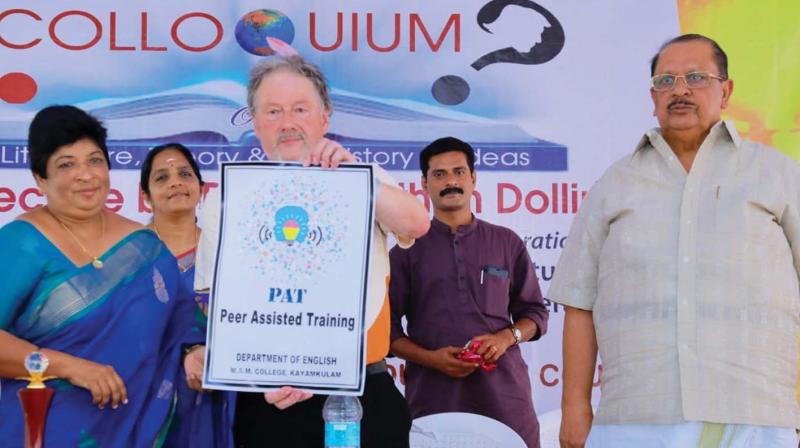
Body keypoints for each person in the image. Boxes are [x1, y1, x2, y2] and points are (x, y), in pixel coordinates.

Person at [550, 34, 800, 447]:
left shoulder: (777, 175)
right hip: (635, 417)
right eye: (666, 81)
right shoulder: (615, 184)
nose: (680, 90)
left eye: (696, 77)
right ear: (652, 97)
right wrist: (574, 409)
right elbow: (579, 302)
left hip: (754, 414)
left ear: (727, 91)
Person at [193, 55, 431, 447]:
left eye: (300, 109)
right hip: (271, 400)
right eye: (273, 111)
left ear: (325, 117)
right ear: (254, 122)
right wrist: (255, 376)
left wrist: (359, 179)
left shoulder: (363, 178)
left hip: (359, 398)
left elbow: (416, 224)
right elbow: (212, 303)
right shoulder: (226, 199)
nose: (287, 123)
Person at [0, 105, 205, 446]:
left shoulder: (145, 246)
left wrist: (195, 353)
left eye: (95, 160)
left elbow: (181, 327)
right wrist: (70, 367)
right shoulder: (21, 243)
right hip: (42, 430)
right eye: (66, 164)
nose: (86, 175)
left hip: (135, 429)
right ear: (40, 179)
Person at [388, 136, 549, 448]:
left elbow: (536, 314)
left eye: (459, 172)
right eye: (439, 174)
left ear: (473, 178)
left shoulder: (506, 242)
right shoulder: (406, 251)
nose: (451, 181)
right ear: (424, 183)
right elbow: (386, 332)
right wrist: (432, 359)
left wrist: (505, 339)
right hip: (433, 397)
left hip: (504, 397)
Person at [139, 142, 234, 447]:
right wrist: (183, 353)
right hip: (144, 397)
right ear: (145, 196)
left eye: (184, 174)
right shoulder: (128, 257)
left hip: (216, 396)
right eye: (162, 178)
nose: (176, 182)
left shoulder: (228, 253)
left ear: (202, 189)